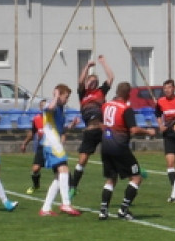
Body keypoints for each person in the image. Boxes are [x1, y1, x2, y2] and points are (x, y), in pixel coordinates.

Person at [98, 82, 155, 220]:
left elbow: (100, 124)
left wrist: (109, 132)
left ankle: (103, 210)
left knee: (111, 179)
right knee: (136, 177)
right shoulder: (126, 109)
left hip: (106, 146)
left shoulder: (106, 105)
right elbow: (134, 130)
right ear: (128, 94)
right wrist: (148, 131)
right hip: (120, 147)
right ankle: (123, 210)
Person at [69, 55, 114, 198]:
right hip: (90, 130)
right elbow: (80, 81)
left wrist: (103, 63)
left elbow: (111, 77)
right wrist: (87, 67)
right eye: (91, 80)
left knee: (116, 151)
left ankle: (133, 170)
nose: (93, 83)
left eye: (95, 81)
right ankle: (73, 187)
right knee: (82, 160)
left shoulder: (101, 92)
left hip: (102, 128)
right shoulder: (83, 94)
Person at [38, 85, 82, 216]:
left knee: (59, 176)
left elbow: (61, 129)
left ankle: (45, 208)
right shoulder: (51, 104)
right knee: (64, 171)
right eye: (66, 97)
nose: (67, 100)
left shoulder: (61, 109)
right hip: (51, 143)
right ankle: (66, 204)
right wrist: (56, 95)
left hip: (55, 143)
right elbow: (49, 108)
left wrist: (72, 125)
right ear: (59, 95)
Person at [20, 99, 47, 193]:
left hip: (52, 146)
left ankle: (71, 186)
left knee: (59, 168)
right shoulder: (36, 119)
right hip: (41, 146)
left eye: (46, 106)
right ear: (40, 107)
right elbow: (32, 132)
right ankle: (36, 186)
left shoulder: (52, 118)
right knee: (35, 169)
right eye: (42, 106)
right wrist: (24, 143)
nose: (44, 108)